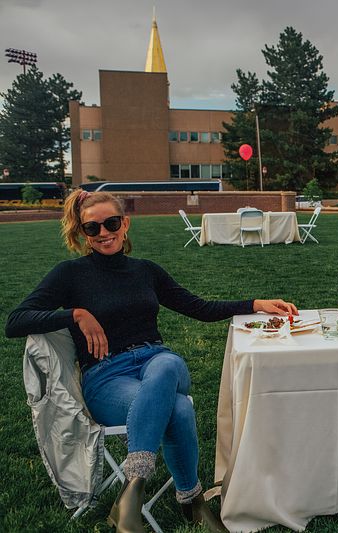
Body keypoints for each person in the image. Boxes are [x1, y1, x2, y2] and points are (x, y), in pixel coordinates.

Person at [5, 190, 298, 533]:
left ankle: (132, 491)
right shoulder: (70, 274)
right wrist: (76, 314)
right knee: (179, 409)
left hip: (153, 361)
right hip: (106, 378)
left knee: (167, 364)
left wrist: (255, 303)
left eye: (111, 223)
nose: (103, 233)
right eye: (92, 228)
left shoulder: (146, 271)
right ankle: (192, 501)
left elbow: (199, 308)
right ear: (83, 233)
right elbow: (16, 320)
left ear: (125, 224)